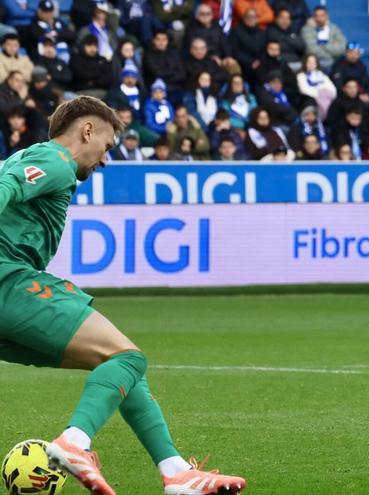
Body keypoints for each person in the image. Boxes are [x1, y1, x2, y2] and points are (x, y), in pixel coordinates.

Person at [0, 96, 247, 495]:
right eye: (107, 146)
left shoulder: (28, 157)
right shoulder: (56, 160)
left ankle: (176, 471)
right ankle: (75, 443)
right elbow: (5, 188)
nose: (105, 160)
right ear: (86, 130)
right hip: (8, 284)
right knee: (128, 358)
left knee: (121, 365)